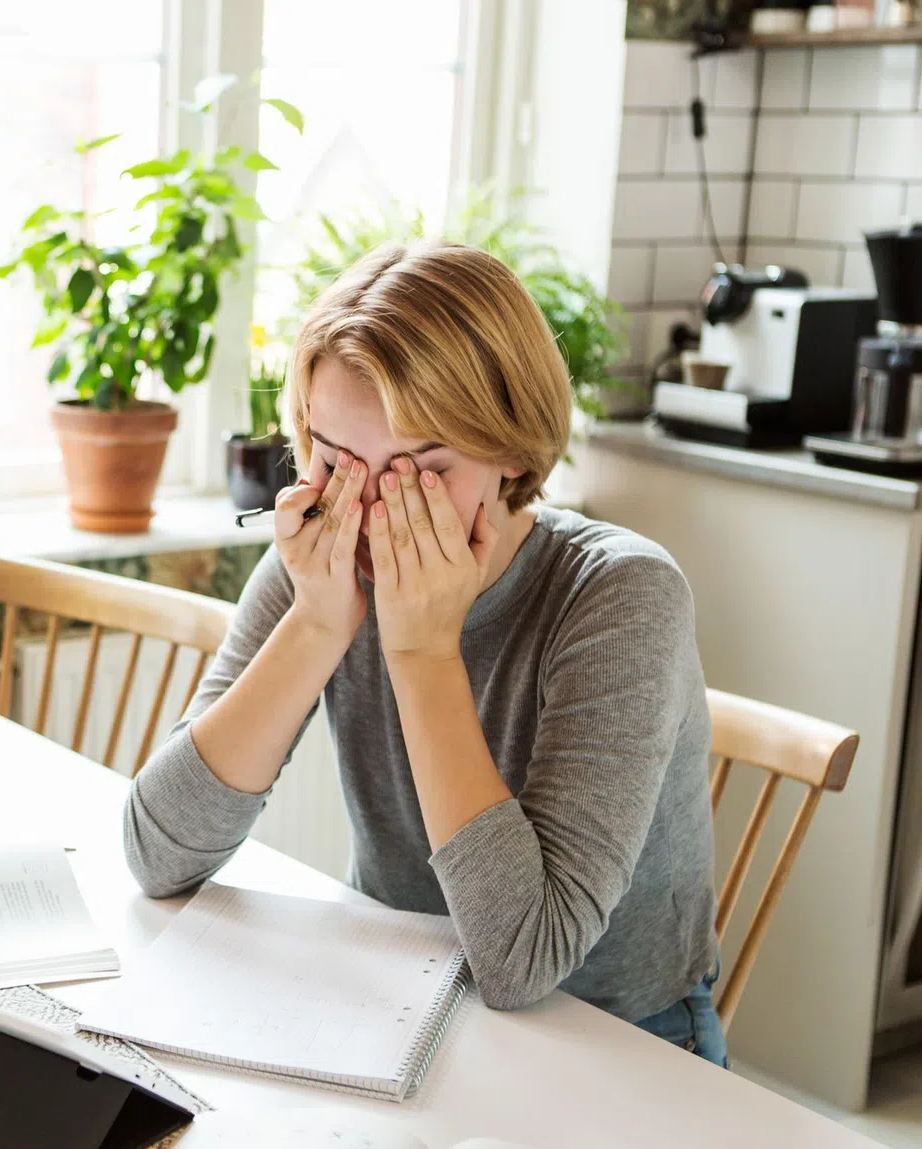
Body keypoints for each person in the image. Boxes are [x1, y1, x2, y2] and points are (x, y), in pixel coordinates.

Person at [123, 240, 725, 1066]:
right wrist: (316, 626)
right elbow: (157, 855)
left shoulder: (622, 596)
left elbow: (523, 963)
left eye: (418, 471)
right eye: (335, 459)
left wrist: (421, 649)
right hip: (398, 991)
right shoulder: (319, 558)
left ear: (511, 449)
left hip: (615, 1041)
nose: (368, 509)